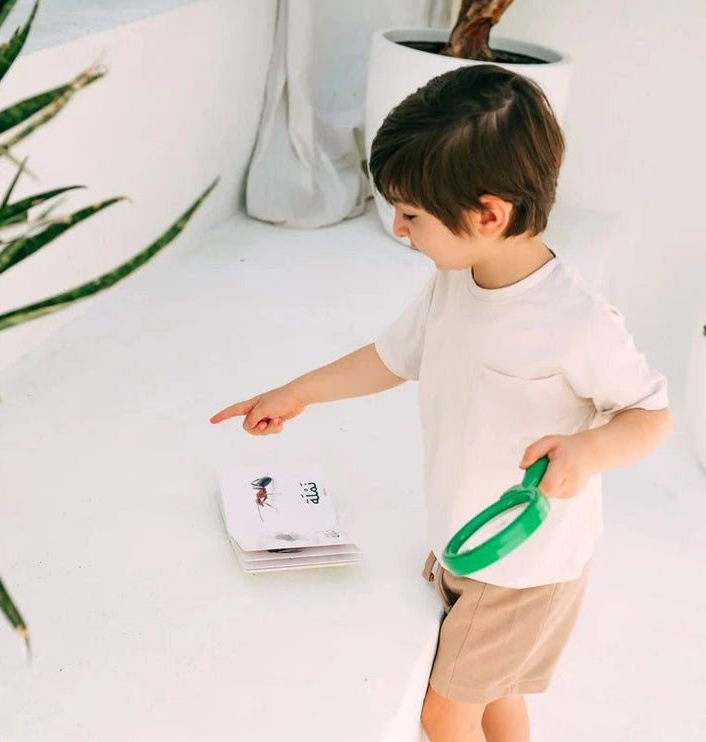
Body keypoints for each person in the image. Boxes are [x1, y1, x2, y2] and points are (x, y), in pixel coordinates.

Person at [209, 64, 673, 742]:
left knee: (445, 714)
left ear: (488, 214)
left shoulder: (575, 320)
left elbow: (651, 415)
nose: (400, 229)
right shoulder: (458, 281)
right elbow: (392, 357)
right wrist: (297, 392)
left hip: (522, 570)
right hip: (468, 547)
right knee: (498, 699)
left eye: (412, 214)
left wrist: (590, 449)